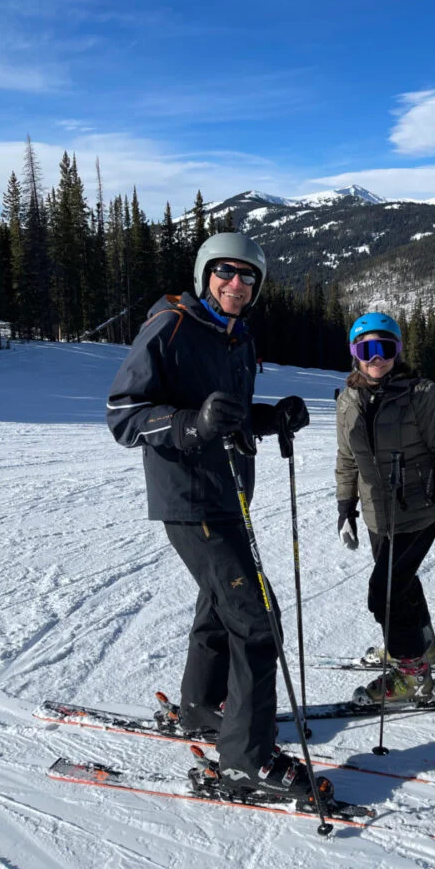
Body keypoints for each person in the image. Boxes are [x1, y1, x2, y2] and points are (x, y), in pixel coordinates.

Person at [106, 232, 312, 798]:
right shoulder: (169, 327)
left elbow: (231, 416)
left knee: (221, 607)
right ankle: (248, 759)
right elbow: (123, 414)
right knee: (255, 618)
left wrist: (271, 419)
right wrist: (190, 425)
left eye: (249, 277)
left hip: (228, 498)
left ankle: (201, 706)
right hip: (190, 498)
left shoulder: (237, 337)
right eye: (226, 272)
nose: (237, 285)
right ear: (204, 275)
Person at [335, 312, 435, 704]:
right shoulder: (348, 401)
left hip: (419, 512)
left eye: (386, 348)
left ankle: (413, 675)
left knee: (384, 593)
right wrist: (346, 507)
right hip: (377, 516)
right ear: (354, 354)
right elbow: (346, 459)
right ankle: (420, 648)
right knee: (403, 585)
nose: (377, 358)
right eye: (366, 350)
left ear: (398, 351)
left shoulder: (421, 394)